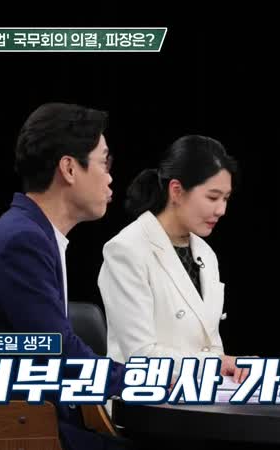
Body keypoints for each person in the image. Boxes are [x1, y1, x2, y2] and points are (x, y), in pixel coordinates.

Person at [0, 102, 126, 450]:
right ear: (69, 168)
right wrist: (148, 381)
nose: (110, 176)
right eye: (105, 162)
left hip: (25, 422)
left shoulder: (29, 231)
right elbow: (61, 354)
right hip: (2, 432)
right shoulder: (22, 241)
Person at [98, 135, 249, 382]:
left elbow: (211, 345)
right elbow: (140, 355)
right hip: (143, 396)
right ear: (176, 191)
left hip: (198, 393)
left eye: (226, 198)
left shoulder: (206, 253)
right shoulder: (126, 250)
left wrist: (235, 369)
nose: (221, 210)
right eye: (212, 197)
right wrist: (218, 364)